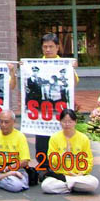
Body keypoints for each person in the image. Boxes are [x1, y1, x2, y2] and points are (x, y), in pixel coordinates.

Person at [34, 33, 79, 161]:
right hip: (42, 108)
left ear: (57, 47)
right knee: (42, 137)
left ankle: (60, 163)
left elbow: (74, 83)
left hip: (59, 107)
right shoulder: (36, 64)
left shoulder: (64, 64)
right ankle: (43, 165)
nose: (48, 50)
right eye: (45, 47)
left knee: (60, 135)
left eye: (51, 47)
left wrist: (72, 69)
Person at [41, 109, 99, 194]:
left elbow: (88, 160)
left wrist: (81, 173)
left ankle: (67, 186)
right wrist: (63, 154)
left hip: (78, 176)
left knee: (94, 183)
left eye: (70, 122)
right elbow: (52, 161)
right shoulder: (54, 138)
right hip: (61, 176)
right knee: (46, 186)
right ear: (60, 122)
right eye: (64, 121)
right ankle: (74, 186)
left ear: (75, 122)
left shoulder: (83, 138)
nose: (67, 124)